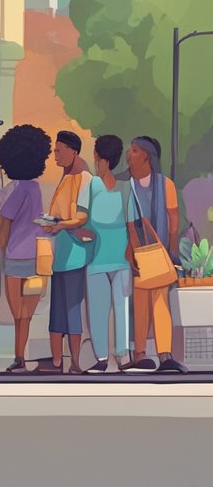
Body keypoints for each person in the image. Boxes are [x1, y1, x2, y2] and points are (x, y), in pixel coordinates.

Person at [0, 124, 52, 373]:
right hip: (36, 259)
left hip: (15, 259)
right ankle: (20, 356)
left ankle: (19, 357)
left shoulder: (15, 191)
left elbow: (3, 227)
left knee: (18, 313)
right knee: (27, 311)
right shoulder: (35, 188)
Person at [121, 136, 186, 374]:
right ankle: (140, 353)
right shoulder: (129, 186)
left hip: (158, 253)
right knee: (140, 303)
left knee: (160, 302)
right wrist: (137, 252)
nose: (130, 154)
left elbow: (173, 218)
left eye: (135, 150)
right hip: (140, 254)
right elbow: (130, 225)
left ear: (147, 155)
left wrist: (171, 249)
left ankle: (164, 354)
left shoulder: (165, 184)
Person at [38, 130, 93, 374]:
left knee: (71, 307)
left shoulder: (84, 179)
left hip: (75, 253)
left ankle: (75, 363)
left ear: (73, 151)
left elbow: (82, 217)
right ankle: (57, 361)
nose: (55, 156)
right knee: (57, 308)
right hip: (60, 253)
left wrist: (59, 224)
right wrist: (50, 221)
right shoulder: (66, 178)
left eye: (59, 151)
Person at [82, 135, 133, 374]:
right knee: (100, 307)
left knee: (116, 307)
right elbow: (130, 224)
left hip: (116, 258)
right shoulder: (93, 185)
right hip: (100, 257)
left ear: (98, 156)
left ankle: (119, 356)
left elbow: (81, 219)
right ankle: (104, 357)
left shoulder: (101, 186)